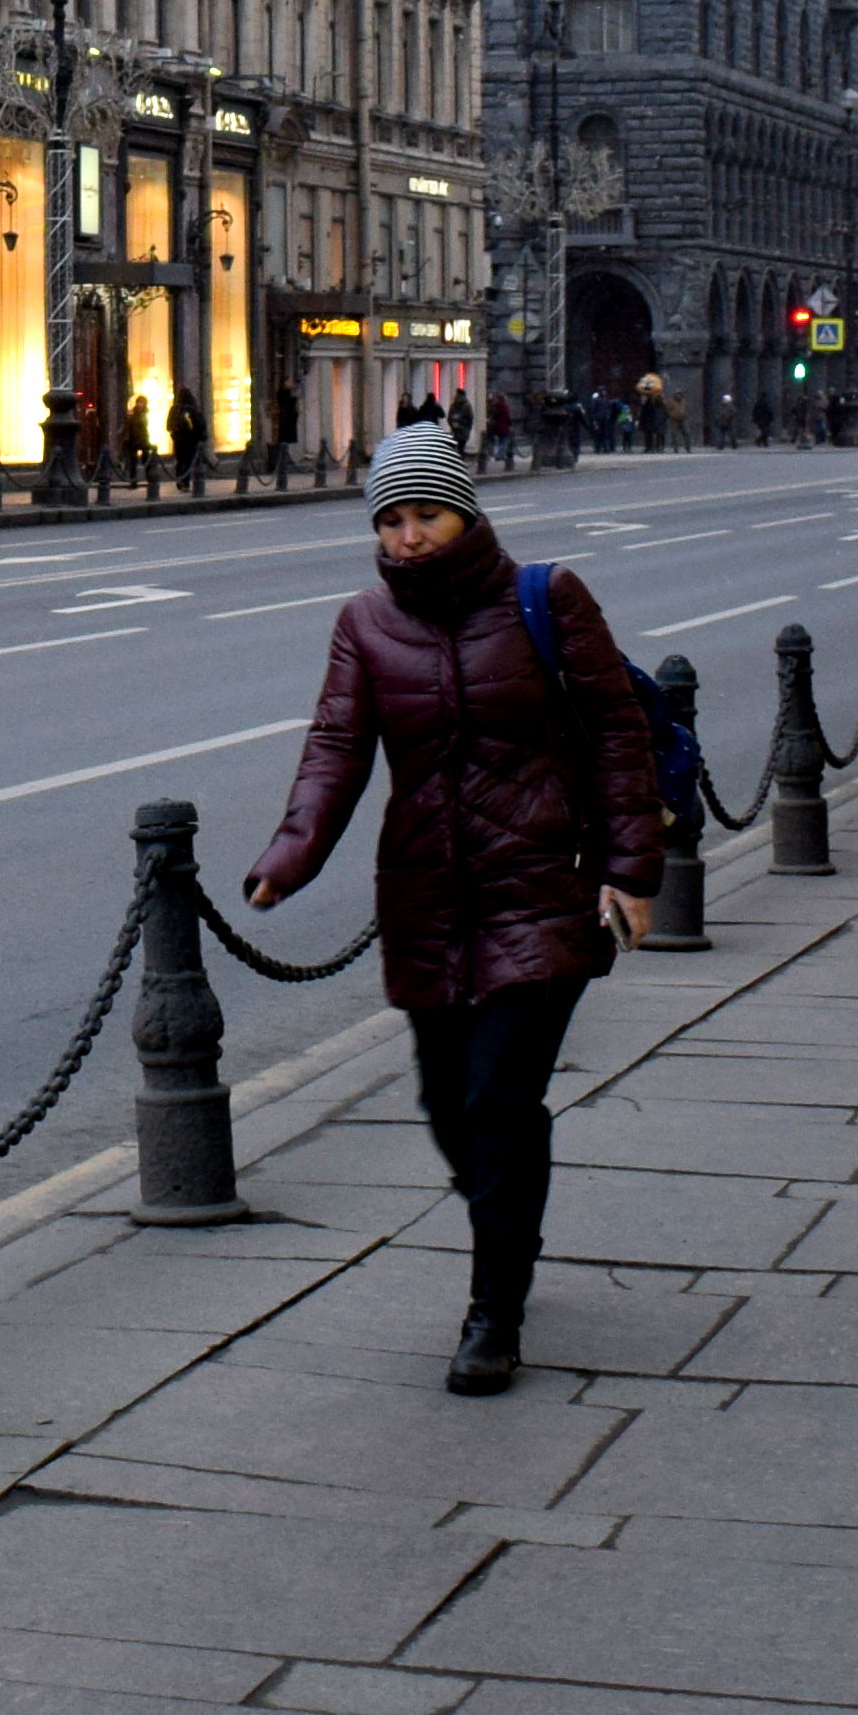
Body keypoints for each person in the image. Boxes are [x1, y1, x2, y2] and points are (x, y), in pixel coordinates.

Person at [242, 420, 666, 1398]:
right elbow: (335, 748)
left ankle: (493, 1314)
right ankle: (507, 1224)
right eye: (389, 520)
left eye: (424, 513)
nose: (407, 536)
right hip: (429, 896)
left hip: (542, 885)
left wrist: (632, 869)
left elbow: (614, 733)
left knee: (496, 1098)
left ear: (464, 511)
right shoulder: (366, 624)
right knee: (448, 1107)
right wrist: (290, 854)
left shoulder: (546, 599)